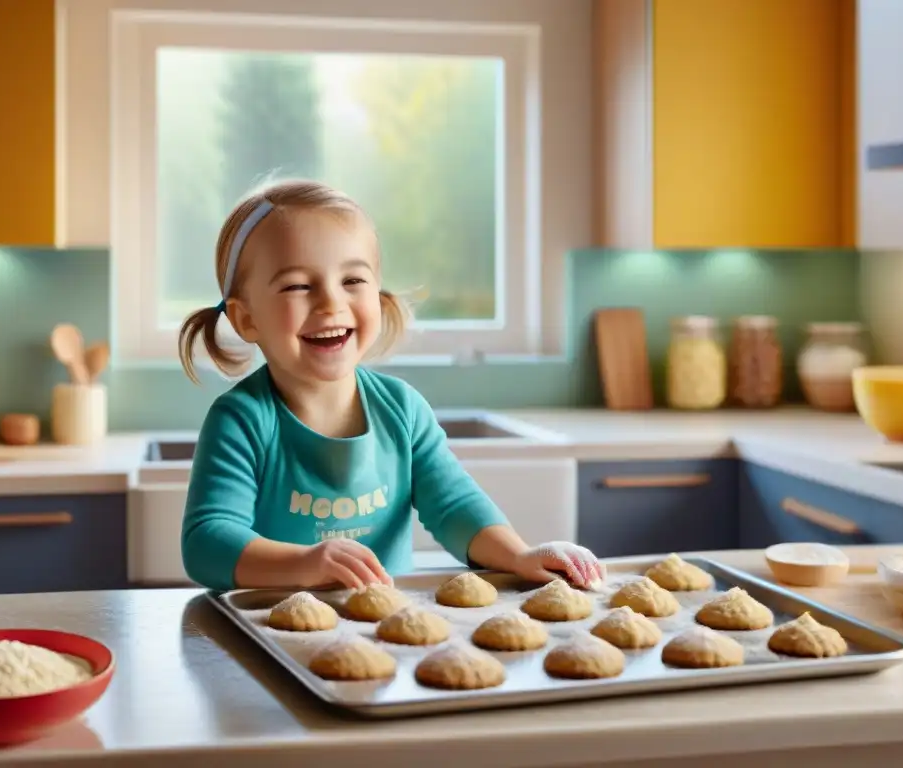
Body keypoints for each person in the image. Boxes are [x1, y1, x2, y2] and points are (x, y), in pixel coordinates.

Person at [177, 179, 605, 593]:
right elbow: (207, 541)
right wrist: (304, 565)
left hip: (385, 632)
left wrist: (519, 556)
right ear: (246, 318)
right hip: (270, 632)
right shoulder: (241, 421)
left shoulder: (402, 409)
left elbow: (454, 506)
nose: (331, 303)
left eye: (353, 281)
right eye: (298, 286)